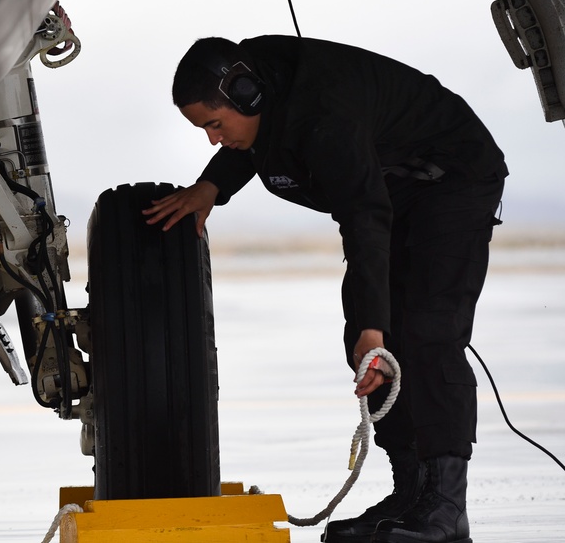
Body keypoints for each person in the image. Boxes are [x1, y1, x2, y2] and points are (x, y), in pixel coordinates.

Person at [144, 35, 507, 543]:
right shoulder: (263, 86)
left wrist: (375, 331)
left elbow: (363, 215)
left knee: (425, 333)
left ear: (246, 95)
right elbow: (264, 134)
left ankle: (445, 509)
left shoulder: (324, 115)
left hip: (452, 176)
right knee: (362, 335)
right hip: (393, 179)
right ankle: (411, 493)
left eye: (214, 125)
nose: (211, 139)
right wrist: (212, 186)